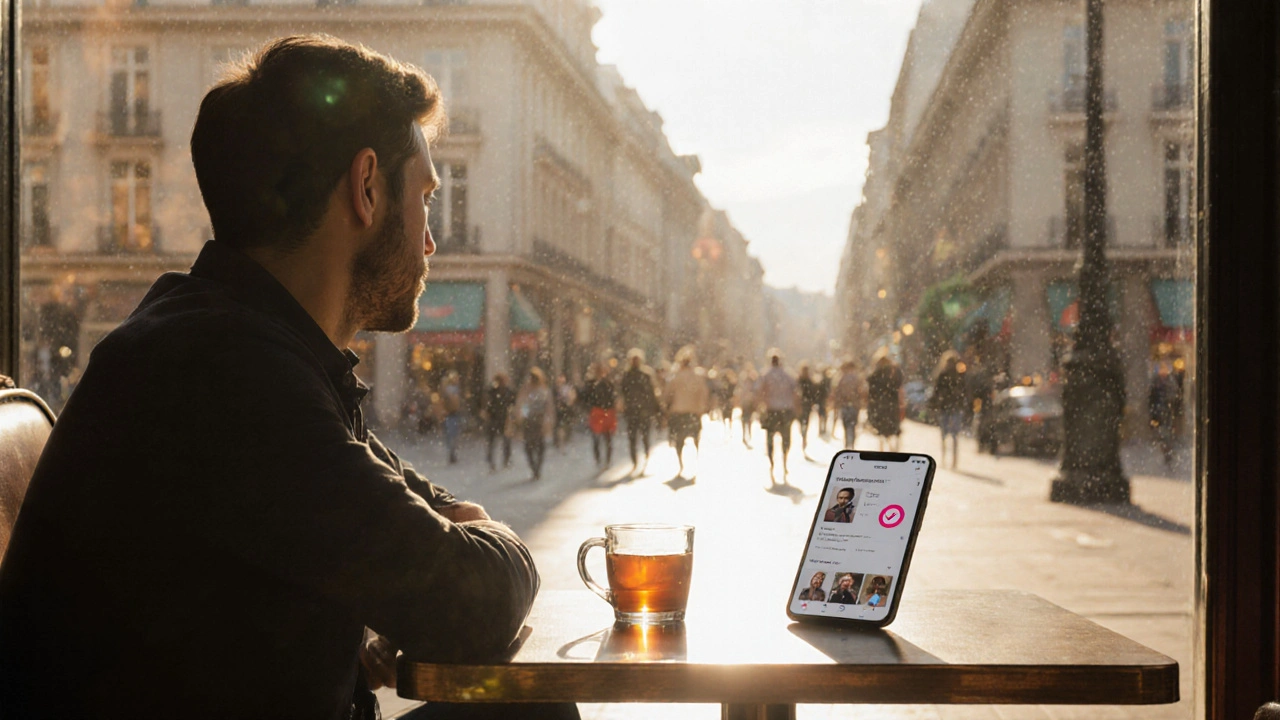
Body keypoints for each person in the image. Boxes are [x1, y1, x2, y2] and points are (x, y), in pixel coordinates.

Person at [0, 36, 576, 720]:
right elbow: (468, 596)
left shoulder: (246, 347)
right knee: (531, 713)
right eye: (423, 198)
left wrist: (374, 621)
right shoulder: (220, 373)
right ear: (367, 188)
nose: (430, 240)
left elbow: (426, 537)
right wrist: (500, 546)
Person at [665, 349, 711, 476]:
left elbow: (668, 394)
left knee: (679, 440)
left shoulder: (675, 377)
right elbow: (704, 393)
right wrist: (701, 409)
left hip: (678, 411)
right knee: (695, 436)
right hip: (693, 412)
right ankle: (695, 457)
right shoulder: (697, 377)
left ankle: (681, 462)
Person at [758, 350, 799, 481]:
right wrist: (796, 407)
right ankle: (785, 459)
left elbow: (760, 391)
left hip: (772, 410)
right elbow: (796, 391)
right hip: (786, 410)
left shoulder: (766, 374)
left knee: (770, 437)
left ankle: (772, 462)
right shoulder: (788, 374)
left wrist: (761, 406)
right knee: (786, 437)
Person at [619, 348, 660, 474]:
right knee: (639, 437)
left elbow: (651, 393)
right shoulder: (633, 375)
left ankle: (640, 459)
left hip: (639, 411)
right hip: (638, 411)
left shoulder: (637, 375)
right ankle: (638, 459)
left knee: (639, 437)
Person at [516, 367, 556, 481]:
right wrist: (548, 420)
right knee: (537, 446)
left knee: (531, 446)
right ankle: (536, 468)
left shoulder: (538, 390)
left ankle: (535, 468)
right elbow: (548, 407)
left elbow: (522, 404)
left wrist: (523, 416)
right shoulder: (542, 391)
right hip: (537, 420)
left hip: (533, 420)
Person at [931, 353, 968, 468]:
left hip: (948, 407)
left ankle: (947, 459)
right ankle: (952, 460)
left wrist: (935, 403)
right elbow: (964, 392)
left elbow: (936, 392)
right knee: (953, 435)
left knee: (946, 434)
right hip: (951, 407)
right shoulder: (955, 375)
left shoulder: (946, 375)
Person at [867, 354, 906, 451]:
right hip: (892, 404)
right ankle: (891, 447)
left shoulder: (875, 375)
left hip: (879, 405)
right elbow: (899, 388)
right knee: (893, 427)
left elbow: (871, 392)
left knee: (880, 429)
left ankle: (882, 448)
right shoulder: (894, 374)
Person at [582, 362, 617, 467]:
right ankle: (601, 459)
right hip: (597, 412)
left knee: (606, 438)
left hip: (605, 412)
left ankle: (606, 460)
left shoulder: (607, 383)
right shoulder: (592, 384)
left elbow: (612, 397)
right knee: (598, 438)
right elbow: (586, 398)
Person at [1149, 361, 1182, 467]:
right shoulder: (1156, 384)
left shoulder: (1170, 383)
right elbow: (1152, 400)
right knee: (1162, 435)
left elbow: (1176, 399)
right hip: (1160, 413)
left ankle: (1168, 453)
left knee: (1167, 435)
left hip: (1168, 414)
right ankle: (1166, 452)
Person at [482, 373, 516, 471]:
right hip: (494, 418)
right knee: (492, 442)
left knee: (506, 441)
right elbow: (486, 404)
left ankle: (505, 459)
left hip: (504, 419)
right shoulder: (491, 391)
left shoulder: (508, 392)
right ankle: (492, 461)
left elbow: (513, 405)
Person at [832, 360, 864, 449]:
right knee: (853, 425)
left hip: (844, 405)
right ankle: (852, 444)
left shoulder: (841, 378)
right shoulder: (857, 378)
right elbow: (861, 391)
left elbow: (837, 392)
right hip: (854, 405)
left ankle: (847, 444)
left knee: (846, 425)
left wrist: (836, 404)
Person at [440, 370, 465, 464]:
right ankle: (452, 453)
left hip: (453, 413)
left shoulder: (454, 389)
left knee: (452, 435)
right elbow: (452, 400)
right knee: (451, 435)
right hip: (451, 414)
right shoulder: (450, 389)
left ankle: (452, 453)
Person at [797, 362, 820, 456]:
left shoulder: (810, 382)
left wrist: (813, 402)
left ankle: (804, 436)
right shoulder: (799, 380)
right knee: (800, 422)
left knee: (805, 422)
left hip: (806, 405)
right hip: (800, 405)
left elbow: (814, 394)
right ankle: (803, 435)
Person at [735, 364, 759, 448]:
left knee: (746, 419)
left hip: (747, 403)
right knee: (747, 419)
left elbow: (740, 392)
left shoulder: (746, 381)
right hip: (747, 403)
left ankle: (746, 433)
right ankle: (747, 433)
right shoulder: (750, 382)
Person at [553, 373, 577, 449]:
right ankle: (557, 440)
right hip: (558, 409)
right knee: (557, 425)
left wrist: (568, 403)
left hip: (566, 409)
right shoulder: (554, 389)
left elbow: (572, 398)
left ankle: (566, 437)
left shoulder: (568, 388)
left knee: (566, 423)